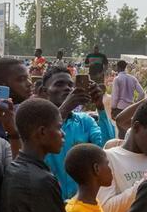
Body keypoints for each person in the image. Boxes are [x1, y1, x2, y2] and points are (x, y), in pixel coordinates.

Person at [41, 67, 115, 200]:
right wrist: (63, 109)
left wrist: (100, 106)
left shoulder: (85, 121)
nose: (67, 88)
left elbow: (107, 146)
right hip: (49, 202)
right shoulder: (37, 123)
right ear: (44, 92)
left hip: (82, 205)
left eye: (71, 85)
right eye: (59, 84)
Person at [0, 57, 34, 139]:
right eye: (21, 79)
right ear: (0, 85)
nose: (30, 83)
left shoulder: (25, 113)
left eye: (28, 78)